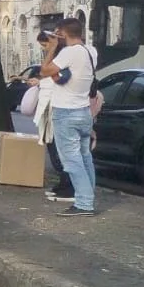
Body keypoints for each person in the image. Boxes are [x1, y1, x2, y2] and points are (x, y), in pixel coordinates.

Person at [39, 18, 98, 216]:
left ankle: (83, 204)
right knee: (84, 157)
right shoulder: (91, 51)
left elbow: (44, 71)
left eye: (58, 33)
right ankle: (88, 197)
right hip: (84, 111)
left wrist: (52, 48)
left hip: (66, 113)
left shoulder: (68, 52)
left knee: (72, 161)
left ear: (63, 33)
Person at [24, 32, 73, 203]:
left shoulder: (63, 59)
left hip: (55, 109)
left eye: (45, 45)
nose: (44, 50)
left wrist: (41, 81)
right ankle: (64, 184)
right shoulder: (58, 59)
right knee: (53, 150)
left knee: (60, 152)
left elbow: (59, 80)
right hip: (48, 109)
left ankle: (69, 187)